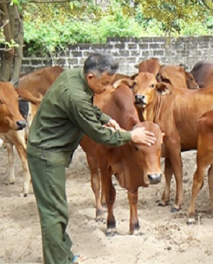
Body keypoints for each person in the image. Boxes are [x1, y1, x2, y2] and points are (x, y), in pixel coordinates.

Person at [26, 52, 156, 264]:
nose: (107, 89)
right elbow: (98, 134)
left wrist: (106, 117)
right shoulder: (75, 96)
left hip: (49, 151)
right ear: (90, 77)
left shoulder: (72, 76)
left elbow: (90, 110)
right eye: (104, 83)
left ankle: (64, 256)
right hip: (46, 154)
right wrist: (131, 135)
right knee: (54, 213)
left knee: (58, 209)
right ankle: (59, 262)